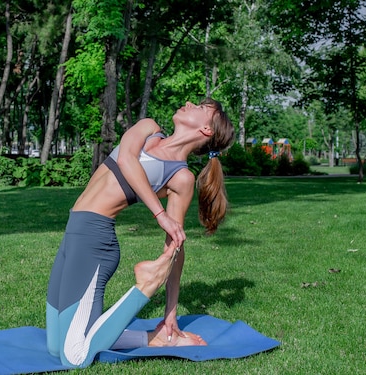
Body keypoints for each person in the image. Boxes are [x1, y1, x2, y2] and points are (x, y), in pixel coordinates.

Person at [46, 98, 235, 368]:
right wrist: (160, 214)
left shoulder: (181, 177)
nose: (189, 102)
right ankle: (153, 339)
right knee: (55, 347)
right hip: (72, 233)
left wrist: (172, 312)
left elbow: (175, 246)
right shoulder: (148, 128)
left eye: (200, 107)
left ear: (207, 130)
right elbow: (126, 159)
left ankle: (146, 286)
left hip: (96, 243)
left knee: (74, 357)